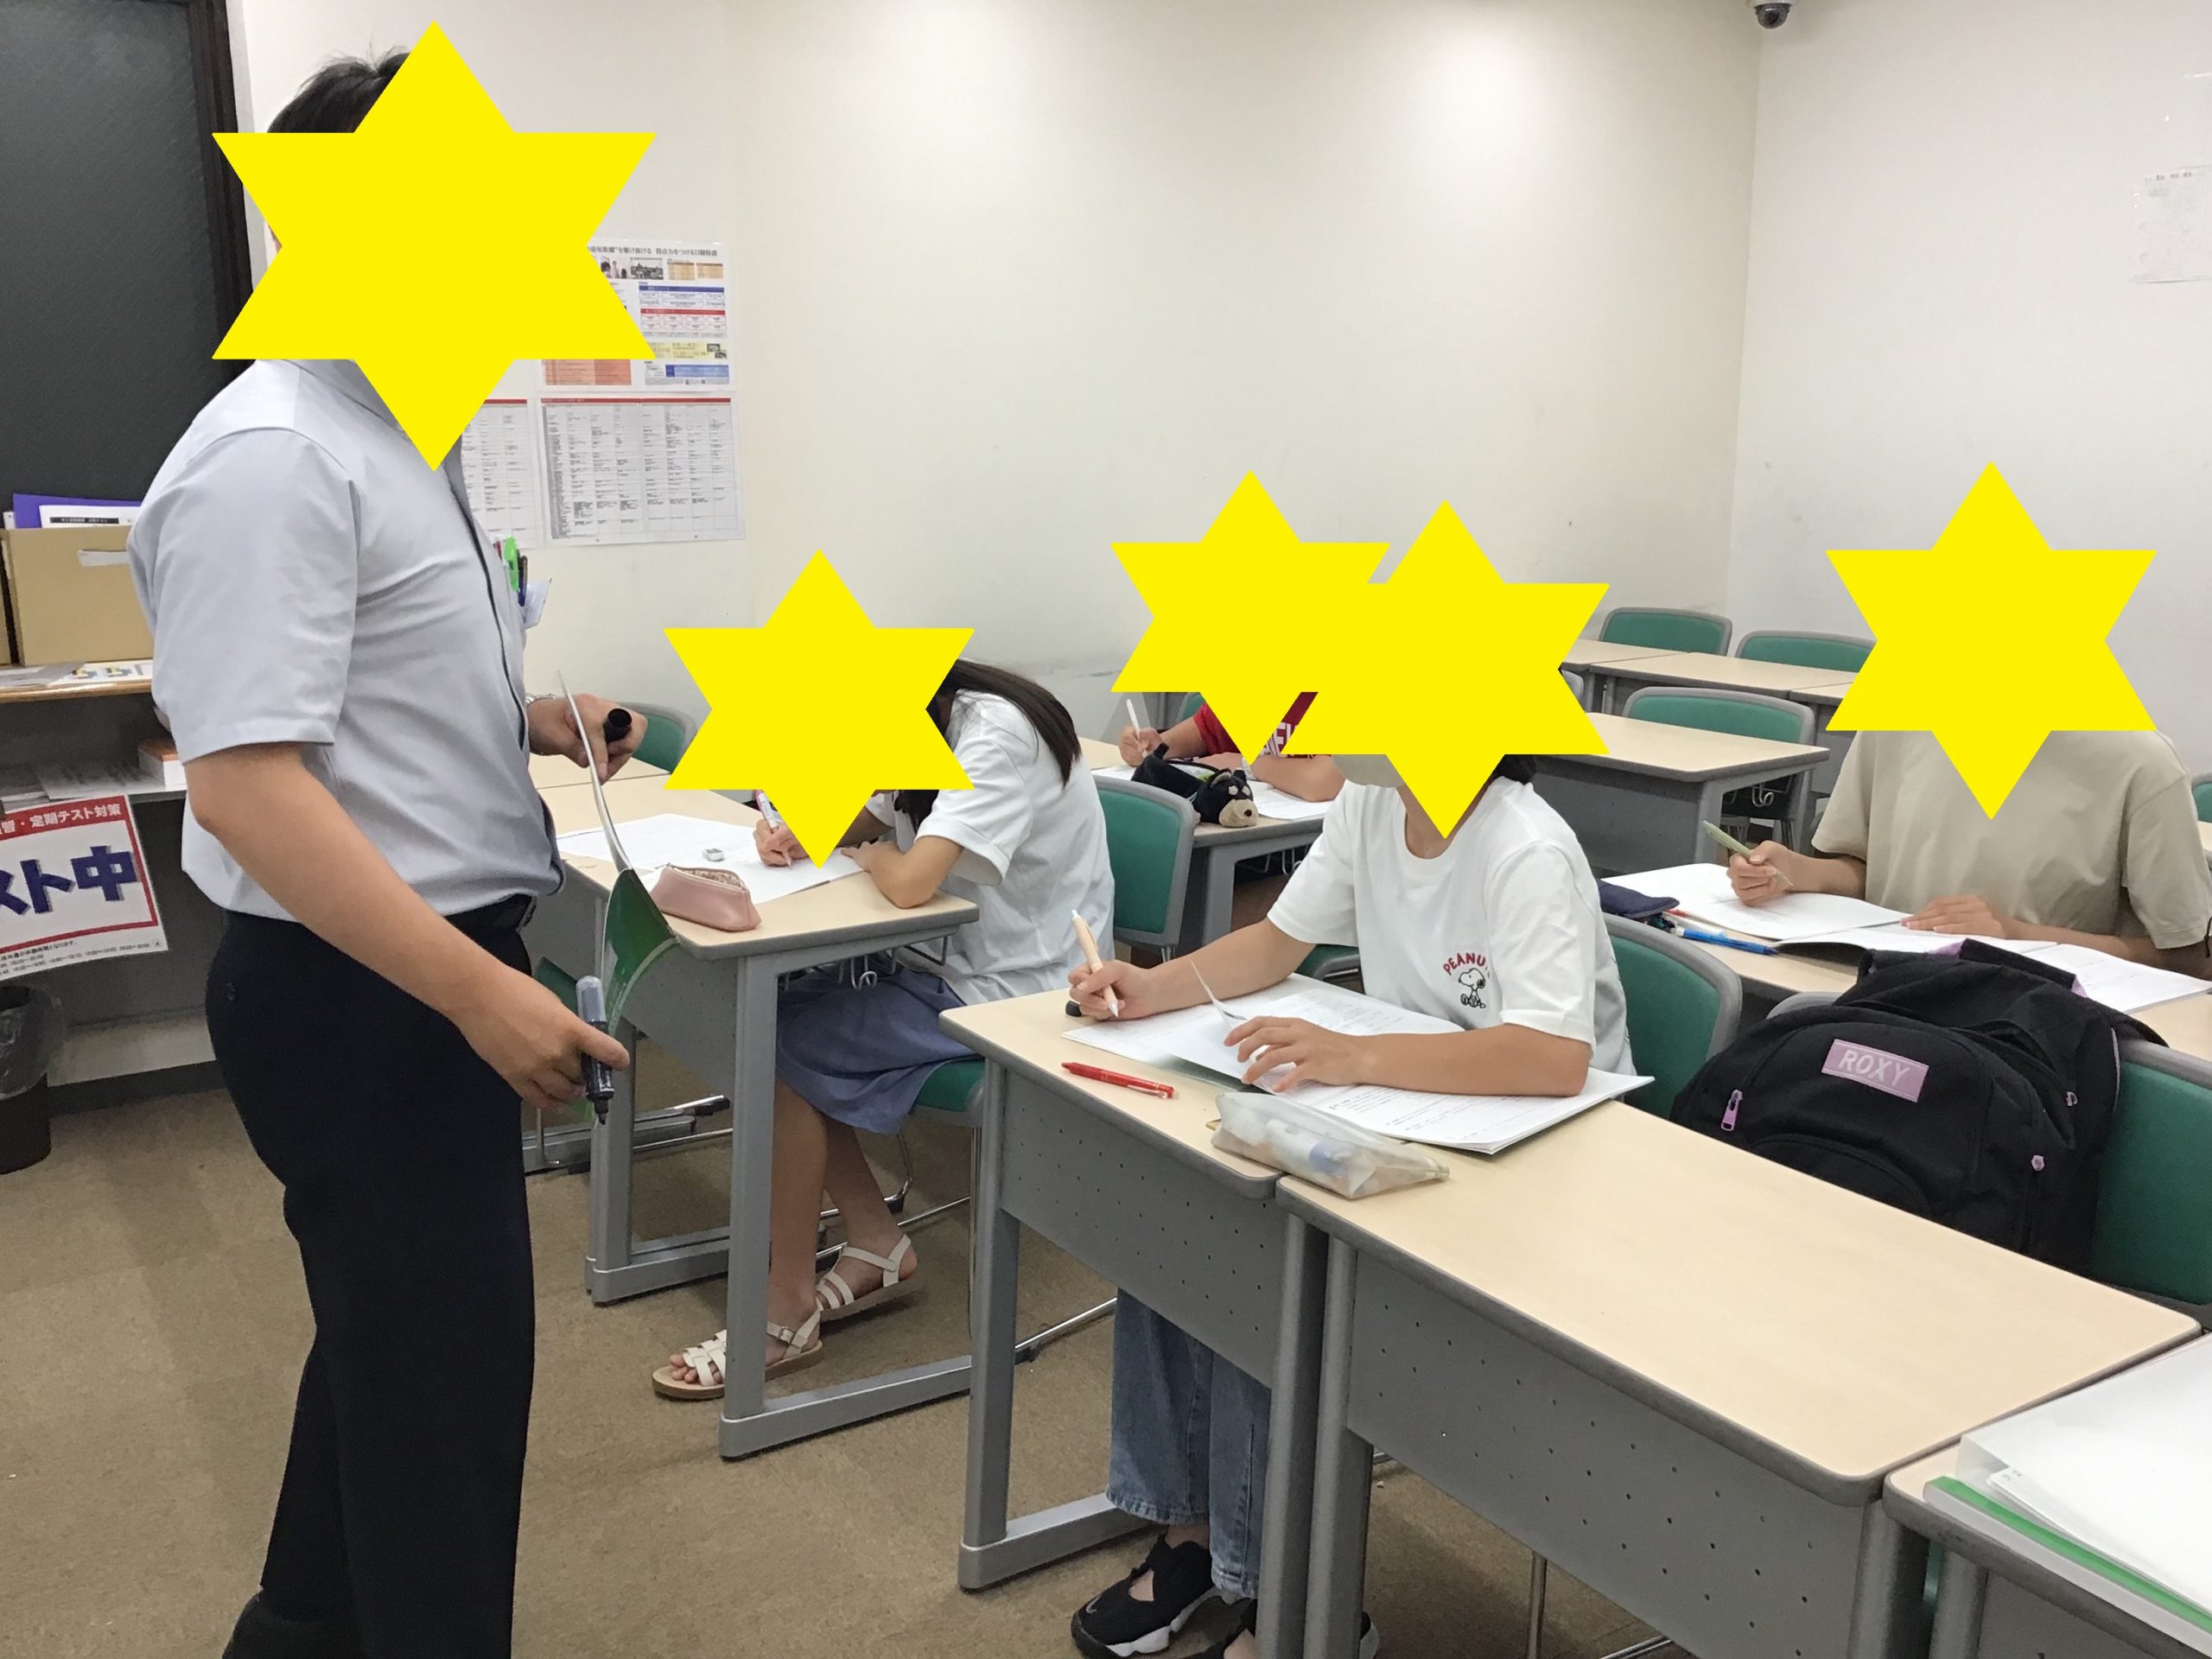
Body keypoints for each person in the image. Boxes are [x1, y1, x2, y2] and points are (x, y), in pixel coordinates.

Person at [127, 51, 643, 1659]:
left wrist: (537, 722)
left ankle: (296, 1631)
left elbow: (356, 705)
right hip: (364, 992)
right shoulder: (277, 451)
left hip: (410, 972)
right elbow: (244, 788)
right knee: (446, 1404)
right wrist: (478, 996)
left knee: (394, 1351)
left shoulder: (399, 432)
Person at [1063, 754, 1632, 1659]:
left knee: (1273, 1274)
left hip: (1537, 1156)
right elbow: (1275, 942)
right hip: (1414, 1117)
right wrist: (1149, 988)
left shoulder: (1524, 847)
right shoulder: (1374, 803)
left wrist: (1357, 1054)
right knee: (1184, 1221)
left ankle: (1282, 1594)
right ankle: (1191, 1532)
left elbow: (1552, 1057)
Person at [653, 660, 1114, 1396]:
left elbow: (908, 880)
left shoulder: (995, 734)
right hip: (940, 963)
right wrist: (808, 829)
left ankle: (787, 1309)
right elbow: (877, 818)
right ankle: (874, 1241)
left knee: (773, 1043)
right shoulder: (919, 714)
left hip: (1015, 990)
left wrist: (872, 855)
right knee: (770, 1022)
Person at [1727, 732, 2212, 975]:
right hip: (1878, 981)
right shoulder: (1897, 724)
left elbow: (2189, 958)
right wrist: (1800, 872)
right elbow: (1865, 870)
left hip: (2028, 1021)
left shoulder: (2140, 761)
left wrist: (2020, 935)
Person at [1117, 696, 1342, 926]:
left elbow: (1322, 782)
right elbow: (1200, 731)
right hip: (1245, 846)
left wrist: (1246, 764)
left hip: (1313, 863)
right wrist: (1152, 746)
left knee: (1186, 912)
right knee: (1153, 886)